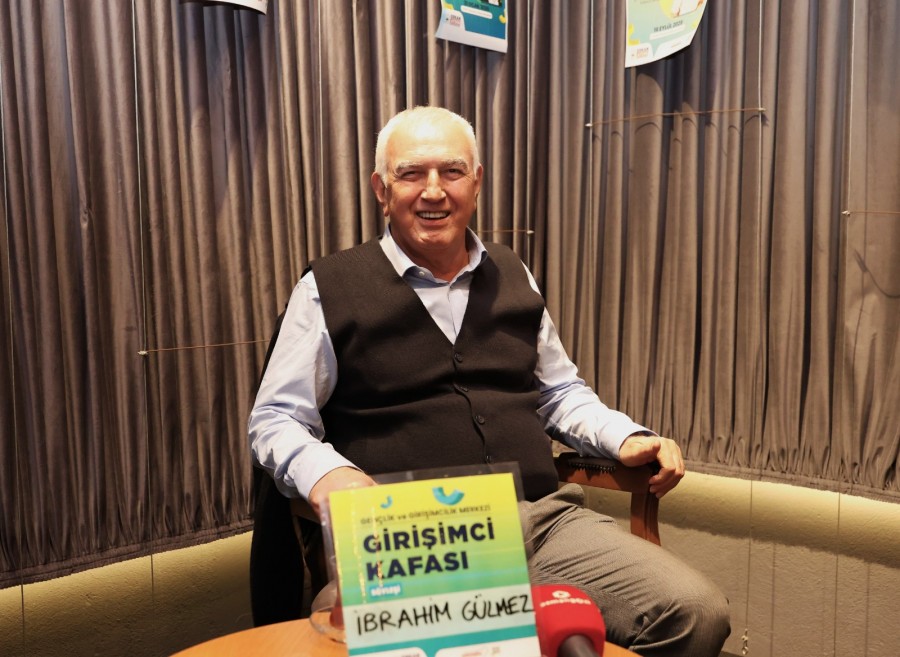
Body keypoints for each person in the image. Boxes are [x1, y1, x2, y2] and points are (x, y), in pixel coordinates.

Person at [249, 105, 730, 656]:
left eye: (452, 172)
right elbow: (275, 418)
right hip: (417, 538)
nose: (434, 191)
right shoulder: (327, 287)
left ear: (475, 183)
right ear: (382, 190)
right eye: (411, 174)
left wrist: (624, 437)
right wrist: (327, 474)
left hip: (541, 522)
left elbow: (558, 392)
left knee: (695, 613)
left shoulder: (512, 272)